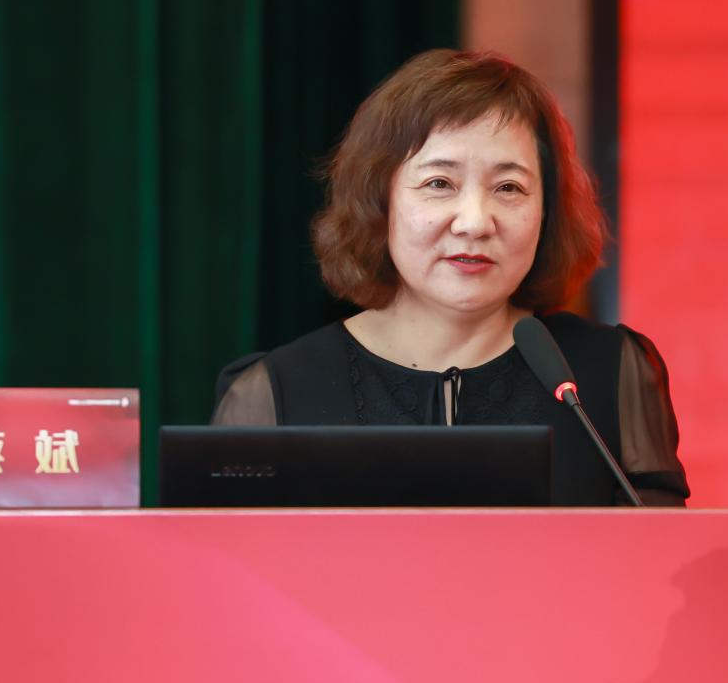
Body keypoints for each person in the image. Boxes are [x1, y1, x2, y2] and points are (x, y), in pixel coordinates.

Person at [212, 49, 688, 506]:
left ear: (547, 212)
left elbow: (660, 557)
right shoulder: (275, 392)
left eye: (509, 187)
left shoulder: (608, 375)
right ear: (381, 202)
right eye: (439, 183)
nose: (475, 222)